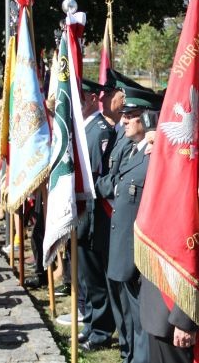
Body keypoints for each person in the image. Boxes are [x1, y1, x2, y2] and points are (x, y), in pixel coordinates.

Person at [95, 89, 162, 363]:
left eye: (131, 116)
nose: (123, 122)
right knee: (129, 315)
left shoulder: (154, 158)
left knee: (140, 317)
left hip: (139, 253)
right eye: (124, 116)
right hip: (123, 247)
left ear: (146, 120)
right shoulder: (135, 151)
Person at [58, 79, 118, 351]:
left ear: (94, 98)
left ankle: (101, 333)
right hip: (80, 214)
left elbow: (98, 177)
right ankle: (90, 324)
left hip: (94, 216)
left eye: (80, 98)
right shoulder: (80, 129)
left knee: (96, 279)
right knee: (84, 276)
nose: (74, 104)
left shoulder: (101, 130)